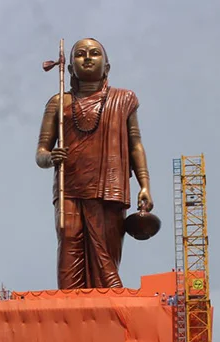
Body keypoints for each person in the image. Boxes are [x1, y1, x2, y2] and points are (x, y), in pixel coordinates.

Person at [36, 38, 153, 290]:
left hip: (108, 189)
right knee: (69, 243)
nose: (87, 58)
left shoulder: (124, 99)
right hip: (70, 188)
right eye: (80, 54)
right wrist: (51, 157)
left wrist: (144, 184)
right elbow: (41, 152)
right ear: (69, 69)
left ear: (107, 67)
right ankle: (71, 306)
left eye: (94, 53)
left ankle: (105, 302)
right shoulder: (59, 103)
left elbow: (135, 144)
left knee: (106, 253)